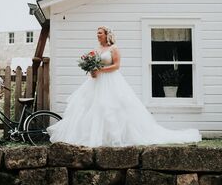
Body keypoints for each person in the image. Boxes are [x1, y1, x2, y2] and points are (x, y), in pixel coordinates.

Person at [48, 26, 201, 147]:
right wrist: (93, 72)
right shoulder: (97, 50)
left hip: (111, 81)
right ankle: (95, 136)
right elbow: (94, 66)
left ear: (107, 34)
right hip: (96, 82)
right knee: (91, 107)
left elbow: (116, 66)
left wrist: (100, 70)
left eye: (100, 33)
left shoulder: (113, 49)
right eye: (97, 33)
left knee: (111, 108)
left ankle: (116, 137)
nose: (98, 35)